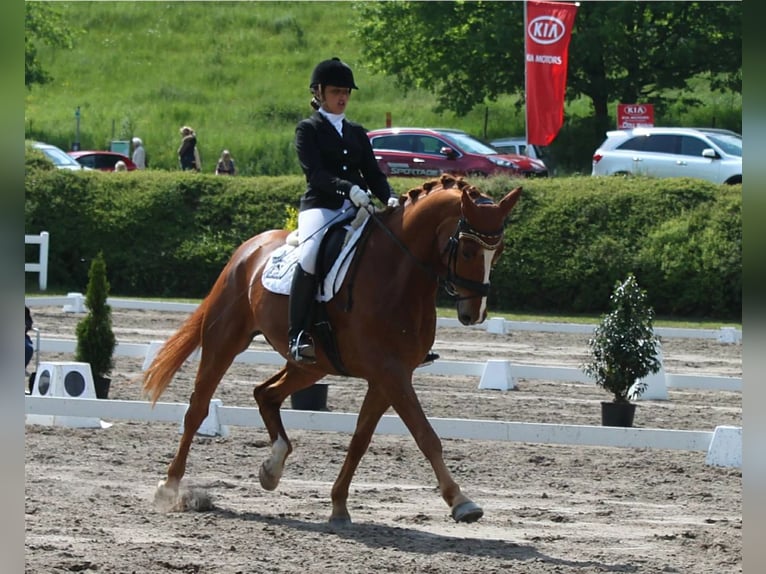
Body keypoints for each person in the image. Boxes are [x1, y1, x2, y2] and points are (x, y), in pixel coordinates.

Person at [288, 57, 399, 364]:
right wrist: (347, 188)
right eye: (337, 91)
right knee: (310, 256)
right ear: (319, 92)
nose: (343, 97)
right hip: (321, 207)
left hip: (358, 207)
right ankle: (298, 334)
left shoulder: (356, 132)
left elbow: (373, 174)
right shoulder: (307, 129)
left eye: (347, 92)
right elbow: (315, 174)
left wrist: (390, 197)